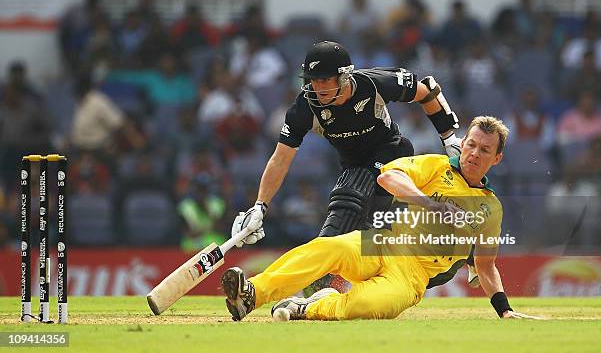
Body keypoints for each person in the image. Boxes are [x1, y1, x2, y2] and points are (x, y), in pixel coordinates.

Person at [222, 116, 541, 321]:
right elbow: (388, 178)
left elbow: (485, 266)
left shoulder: (491, 208)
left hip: (413, 277)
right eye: (470, 144)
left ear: (497, 158)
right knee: (327, 248)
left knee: (370, 308)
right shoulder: (436, 166)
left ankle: (310, 307)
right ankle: (252, 295)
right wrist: (430, 203)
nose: (473, 153)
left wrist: (505, 310)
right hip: (385, 243)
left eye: (485, 150)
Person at [230, 41, 462, 250]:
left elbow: (427, 91)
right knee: (347, 211)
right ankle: (329, 275)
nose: (317, 88)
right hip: (352, 164)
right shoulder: (304, 108)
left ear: (343, 77)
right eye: (312, 80)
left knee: (354, 199)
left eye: (324, 80)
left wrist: (449, 138)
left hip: (392, 151)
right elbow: (280, 159)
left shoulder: (374, 84)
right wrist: (260, 206)